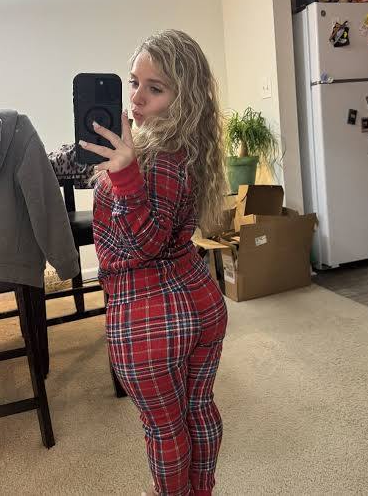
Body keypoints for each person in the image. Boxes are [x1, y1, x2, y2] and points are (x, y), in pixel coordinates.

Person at [80, 30, 228, 496]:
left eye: (155, 88)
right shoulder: (182, 147)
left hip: (149, 311)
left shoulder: (155, 157)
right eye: (134, 82)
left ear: (185, 97)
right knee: (197, 408)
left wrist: (124, 176)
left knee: (164, 427)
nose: (137, 98)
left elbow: (145, 243)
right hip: (199, 296)